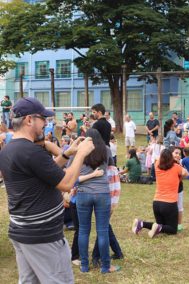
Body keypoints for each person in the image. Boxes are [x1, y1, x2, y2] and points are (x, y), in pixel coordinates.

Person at [0, 97, 95, 283]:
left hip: (22, 231)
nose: (46, 123)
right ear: (29, 120)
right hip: (42, 235)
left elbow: (45, 172)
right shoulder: (31, 152)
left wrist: (67, 153)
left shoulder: (9, 150)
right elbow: (66, 183)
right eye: (43, 118)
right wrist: (82, 154)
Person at [75, 128, 120, 273]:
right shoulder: (106, 150)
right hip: (102, 193)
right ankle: (105, 266)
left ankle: (84, 265)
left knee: (83, 230)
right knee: (103, 231)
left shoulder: (80, 150)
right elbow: (110, 167)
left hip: (83, 193)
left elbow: (72, 175)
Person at [132, 149, 189, 237]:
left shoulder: (157, 165)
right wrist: (179, 176)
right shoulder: (176, 167)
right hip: (169, 204)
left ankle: (141, 224)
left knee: (160, 226)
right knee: (173, 230)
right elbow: (186, 173)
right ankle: (151, 226)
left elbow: (159, 158)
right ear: (171, 158)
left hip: (157, 203)